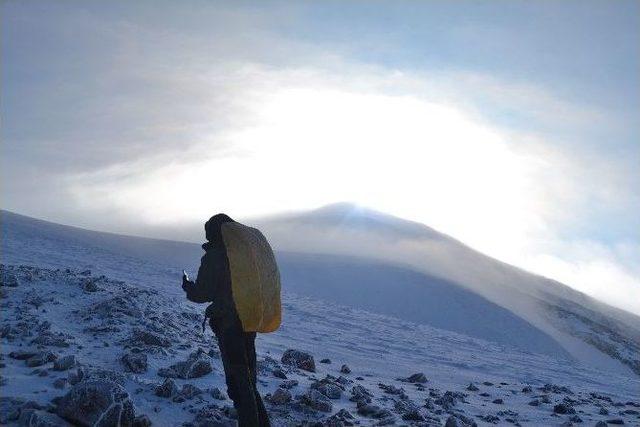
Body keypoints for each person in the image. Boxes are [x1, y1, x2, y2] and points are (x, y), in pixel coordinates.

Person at [182, 213, 271, 427]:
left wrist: (188, 286)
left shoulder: (216, 255)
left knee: (238, 383)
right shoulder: (245, 254)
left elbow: (202, 293)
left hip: (229, 326)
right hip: (248, 321)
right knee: (248, 380)